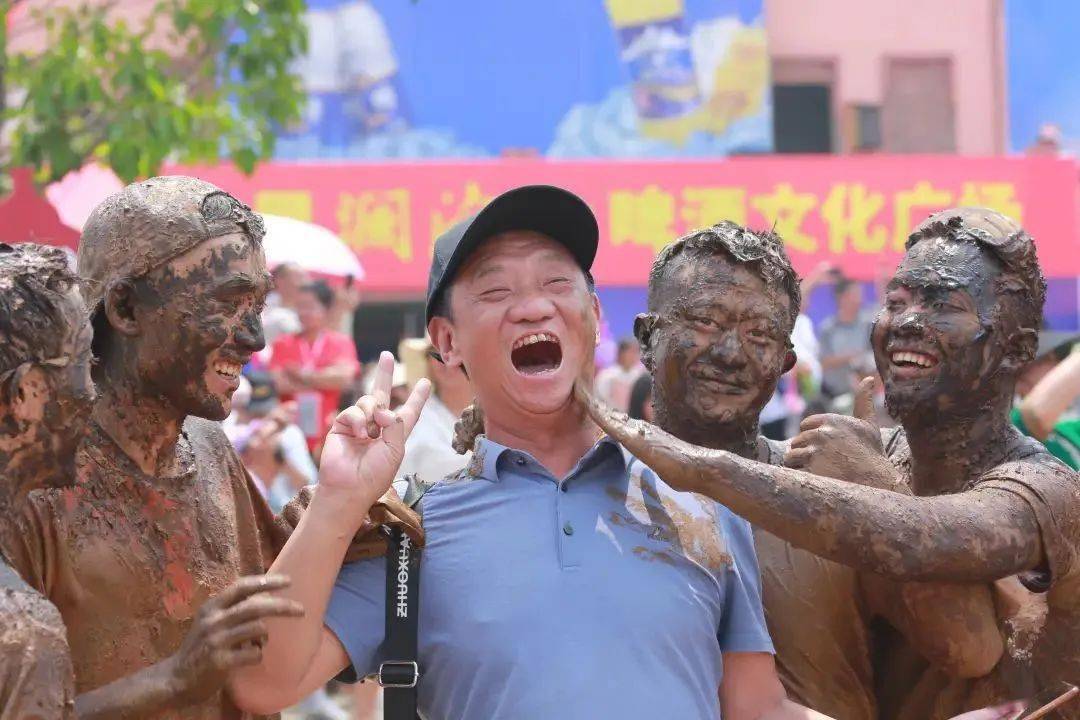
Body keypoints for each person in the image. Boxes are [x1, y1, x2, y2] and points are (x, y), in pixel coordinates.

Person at [229, 185, 836, 719]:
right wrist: (338, 500)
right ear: (447, 341)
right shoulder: (412, 535)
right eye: (494, 290)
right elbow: (263, 682)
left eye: (556, 283)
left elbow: (756, 709)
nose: (532, 306)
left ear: (594, 316)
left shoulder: (703, 502)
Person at [589, 207, 1080, 719]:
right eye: (897, 301)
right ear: (645, 337)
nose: (908, 323)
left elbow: (960, 623)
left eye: (945, 305)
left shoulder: (1040, 486)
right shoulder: (850, 464)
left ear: (785, 361)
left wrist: (702, 469)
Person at [0, 178, 309, 718]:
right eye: (229, 302)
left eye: (258, 305)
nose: (255, 339)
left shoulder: (210, 449)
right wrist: (170, 681)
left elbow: (270, 597)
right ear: (125, 309)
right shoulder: (38, 477)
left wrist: (334, 518)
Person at [269, 279, 361, 451]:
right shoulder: (283, 343)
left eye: (310, 306)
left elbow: (344, 379)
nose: (304, 312)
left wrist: (301, 376)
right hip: (290, 436)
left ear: (325, 309)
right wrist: (323, 379)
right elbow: (279, 384)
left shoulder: (340, 342)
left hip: (329, 433)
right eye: (300, 306)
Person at [226, 371, 318, 513]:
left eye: (265, 411)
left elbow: (308, 485)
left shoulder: (289, 433)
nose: (260, 417)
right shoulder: (233, 428)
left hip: (285, 512)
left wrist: (278, 457)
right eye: (256, 413)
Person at [397, 337, 473, 482]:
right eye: (434, 352)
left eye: (456, 350)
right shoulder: (406, 419)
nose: (445, 360)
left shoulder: (502, 418)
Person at [1012, 329, 1080, 469]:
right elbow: (1033, 415)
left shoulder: (1069, 430)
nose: (1023, 370)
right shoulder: (1007, 426)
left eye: (1036, 360)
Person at [818, 275, 873, 400]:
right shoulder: (828, 329)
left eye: (860, 294)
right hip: (834, 395)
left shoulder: (868, 325)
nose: (859, 299)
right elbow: (823, 363)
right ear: (841, 298)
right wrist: (850, 357)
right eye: (855, 294)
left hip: (864, 396)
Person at [594, 336, 644, 411]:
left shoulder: (640, 376)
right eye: (631, 352)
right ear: (621, 353)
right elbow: (600, 400)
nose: (634, 356)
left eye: (636, 352)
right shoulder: (607, 376)